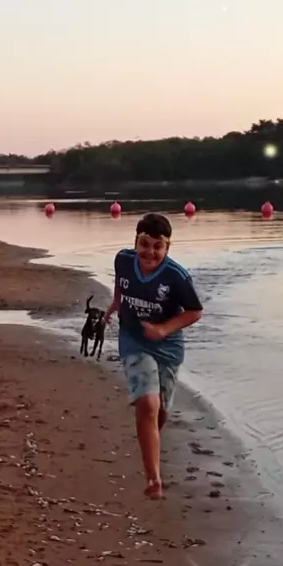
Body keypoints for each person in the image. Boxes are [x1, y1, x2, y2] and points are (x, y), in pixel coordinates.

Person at [104, 212, 203, 500]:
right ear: (136, 242)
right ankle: (154, 478)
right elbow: (121, 283)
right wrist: (115, 305)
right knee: (147, 403)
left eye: (157, 246)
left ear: (167, 247)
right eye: (144, 244)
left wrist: (163, 330)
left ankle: (149, 438)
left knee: (160, 411)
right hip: (133, 339)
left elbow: (195, 312)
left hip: (168, 346)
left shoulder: (176, 276)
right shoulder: (123, 260)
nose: (150, 252)